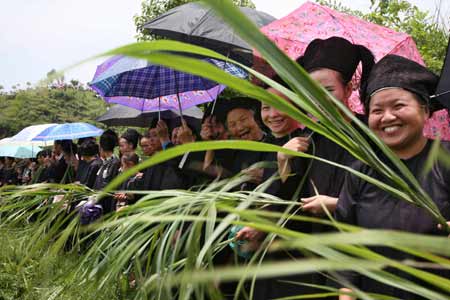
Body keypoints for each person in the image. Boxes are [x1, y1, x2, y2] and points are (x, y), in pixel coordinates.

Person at [335, 54, 450, 300]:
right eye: (377, 110)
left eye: (398, 106)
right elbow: (347, 243)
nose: (387, 117)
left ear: (425, 110)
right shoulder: (361, 172)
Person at [94, 129, 120, 213]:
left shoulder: (114, 163)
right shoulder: (106, 162)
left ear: (101, 146)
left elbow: (107, 185)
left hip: (106, 206)